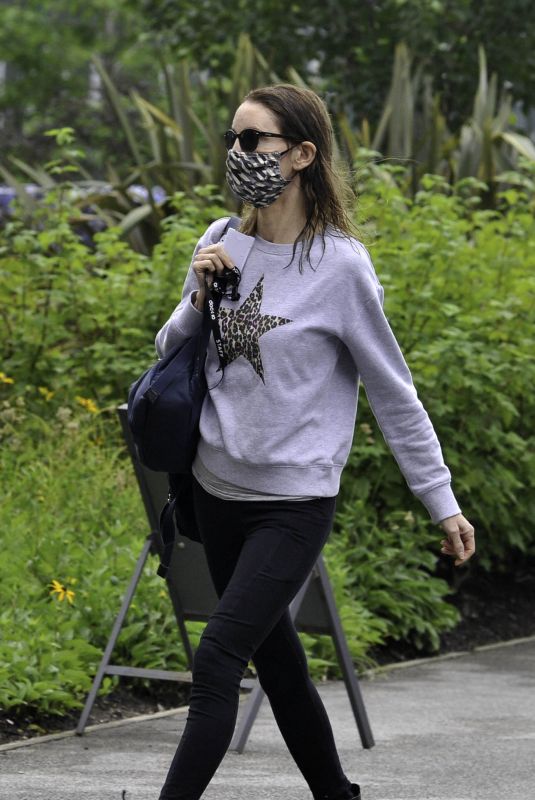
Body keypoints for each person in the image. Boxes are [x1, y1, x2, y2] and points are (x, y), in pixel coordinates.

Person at [154, 83, 476, 800]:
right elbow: (169, 350)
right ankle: (337, 794)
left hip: (290, 505)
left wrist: (440, 501)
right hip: (214, 493)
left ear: (301, 155)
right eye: (231, 139)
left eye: (252, 141)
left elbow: (394, 394)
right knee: (279, 664)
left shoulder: (340, 267)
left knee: (216, 661)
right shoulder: (219, 240)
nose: (236, 154)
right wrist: (197, 296)